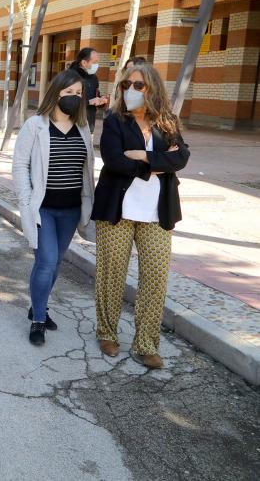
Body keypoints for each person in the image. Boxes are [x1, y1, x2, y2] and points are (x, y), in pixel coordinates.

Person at [92, 63, 189, 369]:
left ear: (152, 89)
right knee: (111, 274)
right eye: (126, 85)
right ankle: (107, 332)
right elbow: (113, 160)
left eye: (138, 86)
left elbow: (182, 157)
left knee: (156, 278)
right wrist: (159, 164)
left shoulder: (167, 121)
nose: (130, 90)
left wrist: (142, 156)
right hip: (116, 210)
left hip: (157, 213)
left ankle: (146, 343)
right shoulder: (114, 121)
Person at [12, 69, 95, 345]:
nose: (74, 98)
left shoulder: (83, 128)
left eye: (78, 94)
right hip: (43, 208)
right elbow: (20, 164)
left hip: (71, 210)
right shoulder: (35, 125)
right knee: (46, 261)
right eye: (69, 92)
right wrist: (25, 200)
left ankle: (39, 306)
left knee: (56, 261)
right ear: (56, 92)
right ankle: (38, 320)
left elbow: (86, 170)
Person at [69, 47, 107, 134]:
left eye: (98, 62)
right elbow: (69, 101)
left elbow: (95, 96)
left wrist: (101, 101)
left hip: (89, 124)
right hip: (73, 124)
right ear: (84, 62)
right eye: (94, 62)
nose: (97, 65)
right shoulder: (71, 76)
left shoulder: (94, 77)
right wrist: (89, 102)